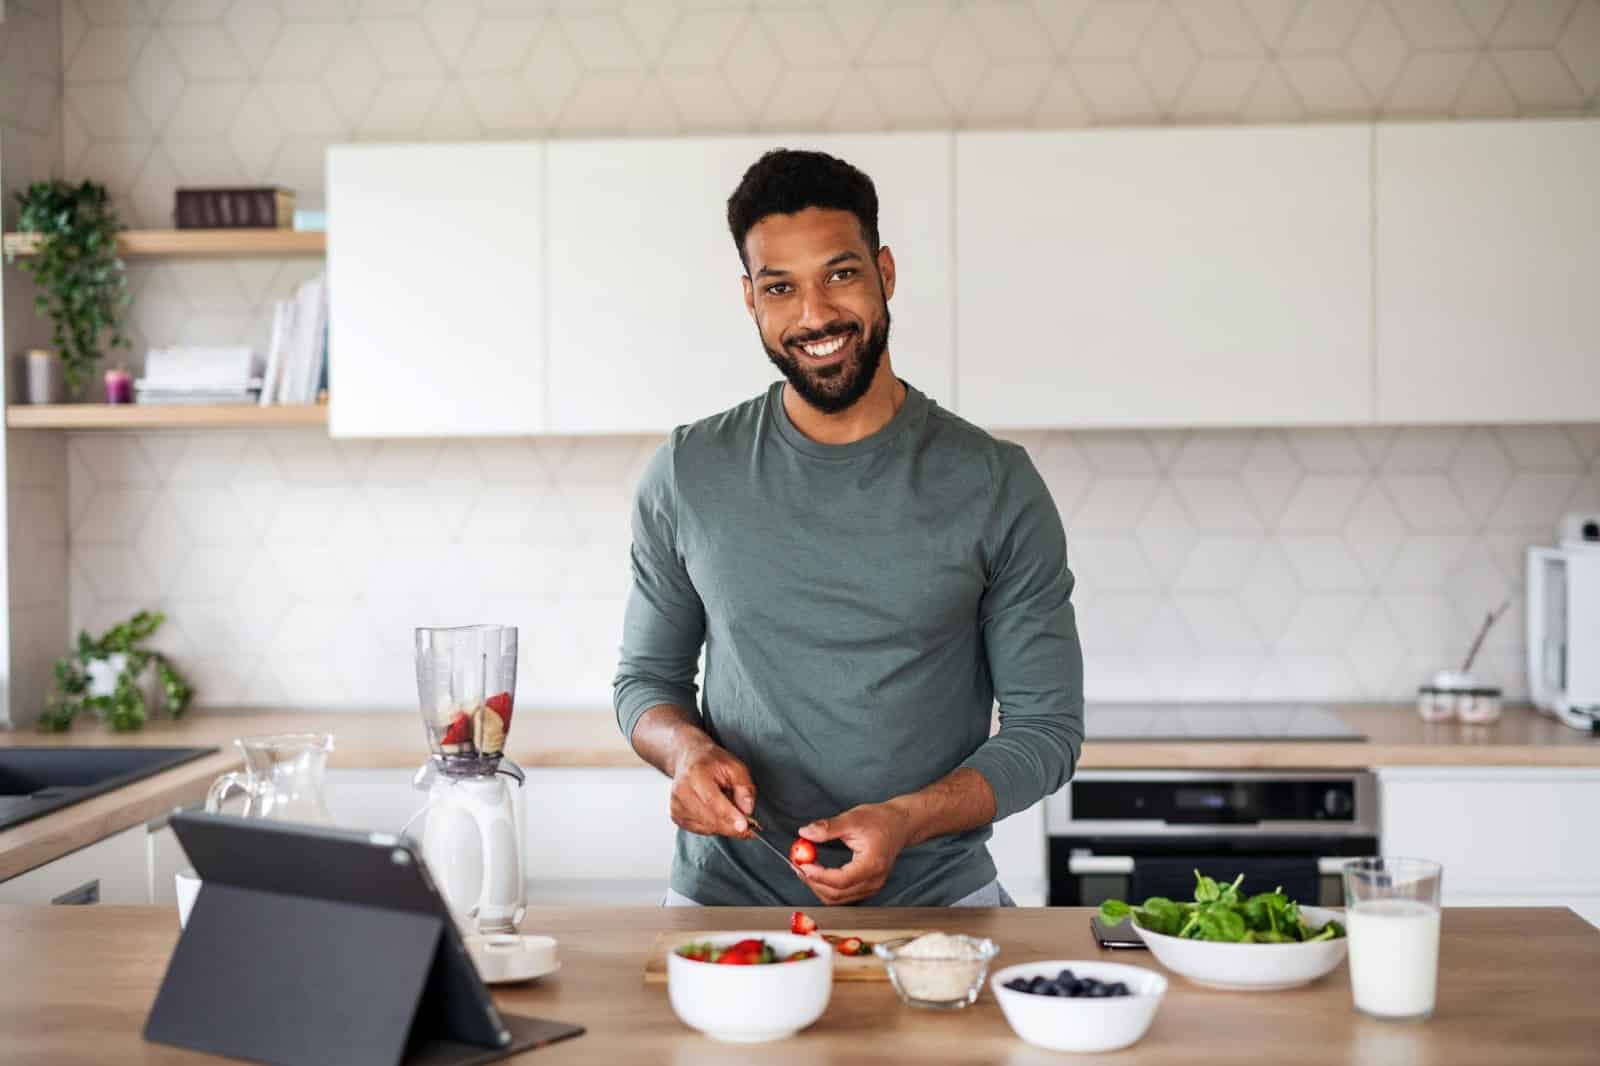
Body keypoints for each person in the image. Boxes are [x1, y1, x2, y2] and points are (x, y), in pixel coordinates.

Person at [613, 148, 1083, 907]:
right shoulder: (689, 472)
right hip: (721, 906)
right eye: (780, 288)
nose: (815, 316)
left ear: (885, 273)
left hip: (940, 906)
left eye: (840, 274)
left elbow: (1048, 731)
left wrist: (905, 820)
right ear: (749, 300)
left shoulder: (995, 483)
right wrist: (685, 752)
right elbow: (648, 684)